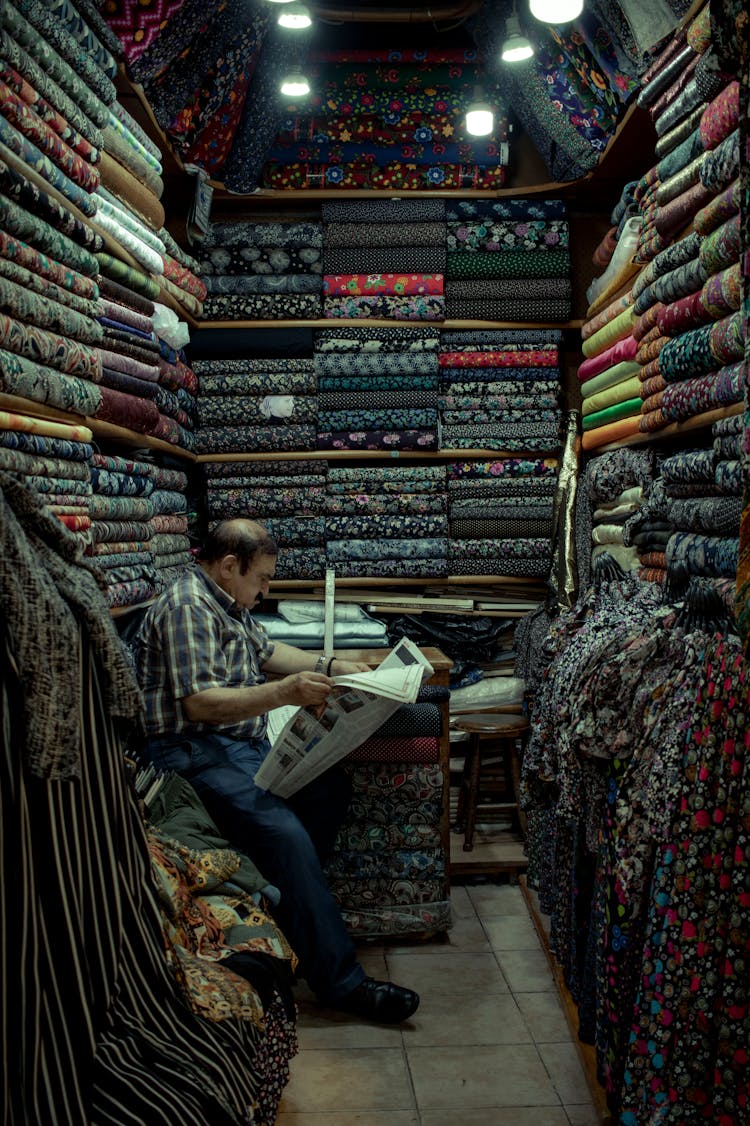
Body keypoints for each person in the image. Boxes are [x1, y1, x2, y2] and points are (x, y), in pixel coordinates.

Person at [135, 517, 419, 1023]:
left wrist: (332, 667)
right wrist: (285, 694)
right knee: (284, 833)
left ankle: (293, 919)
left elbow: (267, 652)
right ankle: (341, 984)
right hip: (190, 750)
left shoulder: (227, 603)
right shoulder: (186, 607)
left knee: (327, 790)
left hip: (231, 744)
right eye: (262, 578)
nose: (267, 589)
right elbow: (200, 704)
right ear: (228, 566)